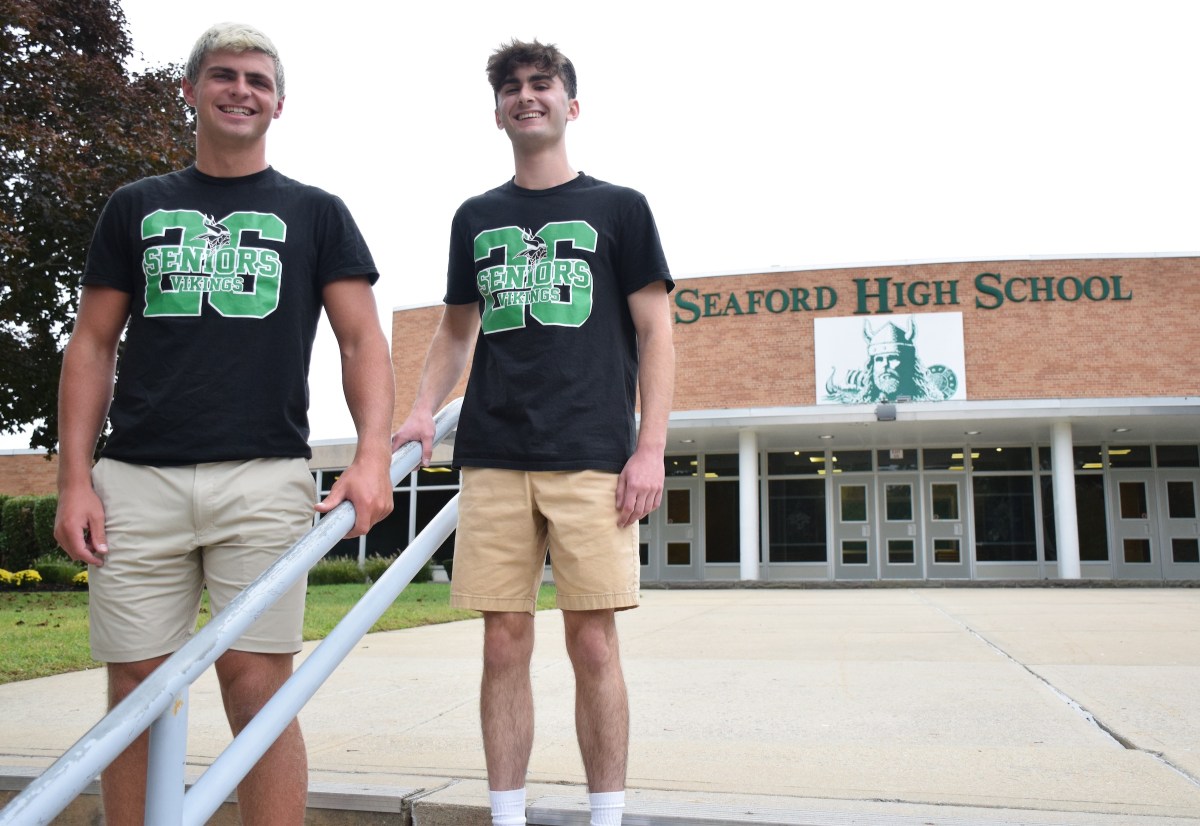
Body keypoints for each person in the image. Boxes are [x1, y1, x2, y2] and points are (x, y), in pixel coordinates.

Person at [52, 22, 395, 826]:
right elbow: (92, 343)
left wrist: (372, 455)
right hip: (137, 478)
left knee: (257, 684)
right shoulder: (136, 206)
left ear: (279, 104)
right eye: (224, 75)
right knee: (137, 689)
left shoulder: (316, 212)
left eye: (258, 80)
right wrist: (74, 480)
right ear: (191, 90)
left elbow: (361, 342)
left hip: (263, 476)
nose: (241, 90)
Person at [392, 38, 674, 826]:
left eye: (542, 84)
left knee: (594, 643)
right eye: (512, 87)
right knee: (502, 642)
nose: (527, 95)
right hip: (494, 454)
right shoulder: (476, 217)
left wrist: (650, 447)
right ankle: (507, 815)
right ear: (498, 114)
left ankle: (606, 815)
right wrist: (421, 408)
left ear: (570, 105)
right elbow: (456, 331)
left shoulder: (620, 208)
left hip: (592, 456)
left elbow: (657, 330)